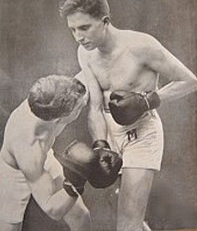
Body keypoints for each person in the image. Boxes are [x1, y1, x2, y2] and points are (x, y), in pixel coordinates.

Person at [60, 0, 197, 231]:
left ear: (105, 21)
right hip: (109, 134)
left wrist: (148, 101)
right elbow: (94, 106)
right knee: (121, 208)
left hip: (141, 134)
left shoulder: (141, 46)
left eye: (84, 28)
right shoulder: (85, 53)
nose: (78, 36)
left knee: (127, 224)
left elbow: (190, 81)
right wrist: (100, 145)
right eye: (73, 29)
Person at [0, 74, 122, 231]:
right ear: (59, 119)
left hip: (44, 157)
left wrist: (101, 145)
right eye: (79, 108)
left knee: (80, 216)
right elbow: (52, 209)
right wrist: (75, 182)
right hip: (15, 171)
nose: (84, 103)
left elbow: (89, 75)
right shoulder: (30, 145)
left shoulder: (54, 94)